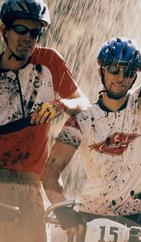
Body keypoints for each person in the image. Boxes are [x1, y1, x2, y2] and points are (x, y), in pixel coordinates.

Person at [42, 37, 141, 241]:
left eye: (129, 72)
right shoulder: (83, 119)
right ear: (101, 72)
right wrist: (64, 211)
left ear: (134, 77)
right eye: (114, 70)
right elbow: (50, 170)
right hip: (91, 216)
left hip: (138, 217)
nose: (121, 77)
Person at [0, 0, 89, 241]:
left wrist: (61, 105)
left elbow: (83, 103)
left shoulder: (49, 61)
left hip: (30, 184)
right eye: (21, 30)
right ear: (4, 30)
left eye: (35, 32)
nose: (28, 38)